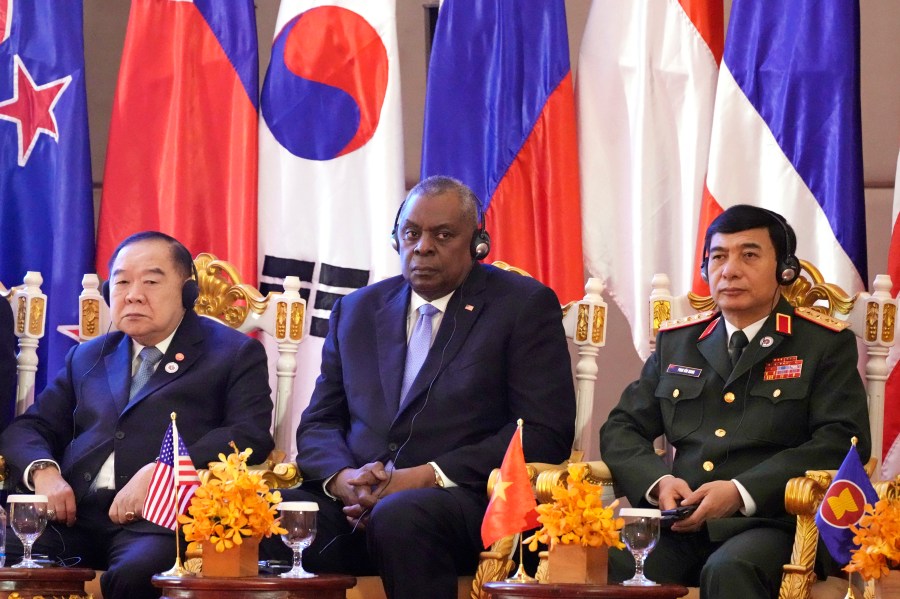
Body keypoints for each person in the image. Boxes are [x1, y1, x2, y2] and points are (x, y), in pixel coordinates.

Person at [263, 176, 576, 599]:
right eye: (412, 233)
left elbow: (544, 431)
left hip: (463, 502)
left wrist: (427, 476)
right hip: (355, 501)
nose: (423, 247)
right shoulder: (357, 310)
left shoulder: (521, 306)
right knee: (266, 515)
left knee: (401, 516)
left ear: (477, 244)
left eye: (443, 235)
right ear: (397, 240)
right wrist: (344, 479)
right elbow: (319, 421)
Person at [600, 205, 871, 598]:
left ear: (785, 270)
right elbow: (622, 427)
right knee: (608, 558)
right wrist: (658, 483)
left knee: (730, 571)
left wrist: (741, 491)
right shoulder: (679, 342)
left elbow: (844, 440)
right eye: (718, 257)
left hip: (773, 522)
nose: (729, 270)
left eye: (749, 255)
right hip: (683, 521)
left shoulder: (823, 344)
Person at [0, 231, 274, 599]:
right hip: (73, 514)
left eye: (151, 281)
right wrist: (43, 471)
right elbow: (32, 426)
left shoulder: (233, 353)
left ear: (188, 292)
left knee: (138, 574)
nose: (133, 294)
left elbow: (250, 433)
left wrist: (165, 468)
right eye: (122, 281)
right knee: (22, 559)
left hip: (158, 522)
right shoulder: (89, 355)